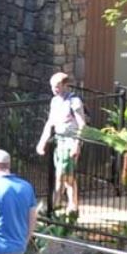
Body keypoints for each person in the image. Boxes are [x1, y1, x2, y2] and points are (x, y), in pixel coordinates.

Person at [35, 71, 87, 214]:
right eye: (52, 86)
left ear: (66, 85)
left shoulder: (74, 101)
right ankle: (73, 206)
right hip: (59, 140)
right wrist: (42, 142)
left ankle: (54, 205)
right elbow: (50, 123)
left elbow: (82, 125)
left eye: (57, 86)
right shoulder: (55, 101)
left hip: (70, 141)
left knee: (62, 174)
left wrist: (77, 144)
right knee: (67, 176)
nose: (54, 89)